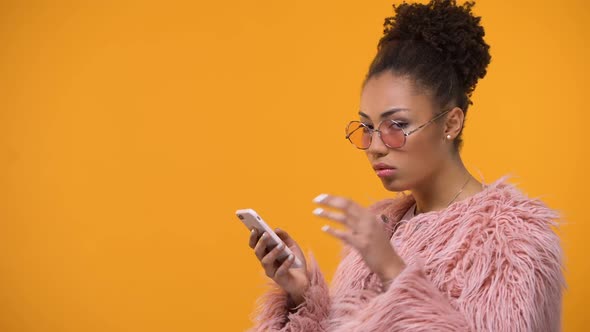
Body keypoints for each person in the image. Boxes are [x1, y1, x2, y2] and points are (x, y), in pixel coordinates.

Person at [246, 0, 564, 331]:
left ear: (451, 124)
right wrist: (302, 296)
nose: (376, 147)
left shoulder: (513, 241)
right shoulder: (382, 227)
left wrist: (394, 272)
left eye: (396, 125)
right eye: (366, 128)